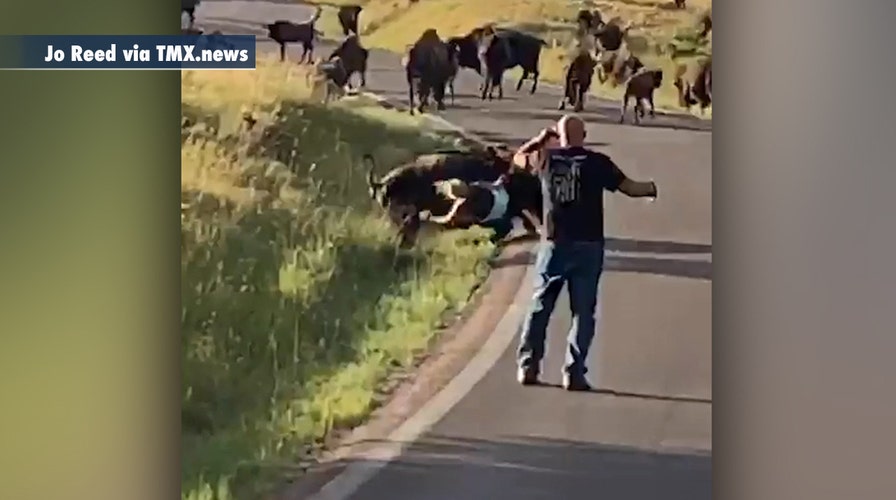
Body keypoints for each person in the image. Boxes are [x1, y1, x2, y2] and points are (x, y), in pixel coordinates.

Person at [511, 114, 658, 391]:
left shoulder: (545, 158)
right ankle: (574, 373)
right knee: (583, 312)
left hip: (555, 243)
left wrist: (542, 138)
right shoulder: (597, 162)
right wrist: (650, 189)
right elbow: (629, 187)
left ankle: (528, 366)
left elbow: (519, 157)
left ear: (559, 134)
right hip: (589, 244)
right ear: (585, 135)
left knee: (540, 306)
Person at [419, 171, 542, 241]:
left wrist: (431, 218)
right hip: (505, 197)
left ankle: (518, 227)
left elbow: (447, 218)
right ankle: (529, 220)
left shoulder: (461, 206)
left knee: (481, 221)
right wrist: (500, 181)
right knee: (515, 205)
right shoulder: (476, 185)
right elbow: (494, 185)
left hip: (500, 212)